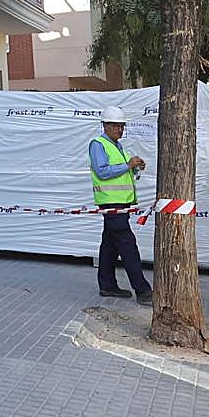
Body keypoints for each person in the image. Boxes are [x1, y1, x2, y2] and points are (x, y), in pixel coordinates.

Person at [89, 106, 153, 304]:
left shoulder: (116, 146)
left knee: (109, 245)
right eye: (116, 125)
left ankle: (107, 285)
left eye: (122, 125)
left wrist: (135, 169)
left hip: (119, 204)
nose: (120, 129)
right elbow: (103, 172)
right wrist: (128, 165)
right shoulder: (98, 144)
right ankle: (142, 290)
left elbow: (122, 173)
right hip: (111, 203)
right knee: (127, 245)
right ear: (105, 126)